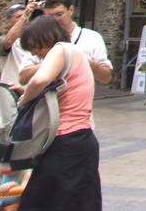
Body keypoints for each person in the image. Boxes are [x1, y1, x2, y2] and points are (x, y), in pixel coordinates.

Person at [10, 15, 101, 210]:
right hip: (80, 141)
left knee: (40, 201)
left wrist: (24, 100)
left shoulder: (61, 49)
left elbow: (38, 80)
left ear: (46, 37)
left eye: (36, 47)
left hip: (66, 142)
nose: (36, 53)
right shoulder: (73, 54)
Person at [19, 0, 112, 85]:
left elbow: (106, 77)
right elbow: (22, 78)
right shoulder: (40, 38)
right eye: (50, 16)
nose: (55, 19)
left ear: (71, 10)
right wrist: (54, 62)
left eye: (59, 14)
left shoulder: (92, 38)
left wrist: (85, 62)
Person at [0, 0, 37, 136]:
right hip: (11, 98)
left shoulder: (36, 43)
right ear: (9, 23)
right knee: (7, 139)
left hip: (30, 96)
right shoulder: (3, 41)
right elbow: (8, 42)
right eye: (18, 16)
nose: (24, 18)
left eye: (25, 16)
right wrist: (25, 16)